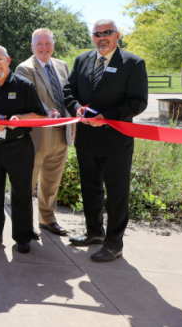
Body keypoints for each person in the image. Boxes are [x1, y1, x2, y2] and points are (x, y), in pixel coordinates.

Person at [63, 19, 148, 262]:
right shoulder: (82, 60)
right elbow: (69, 91)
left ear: (117, 35)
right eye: (97, 33)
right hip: (87, 139)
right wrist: (76, 108)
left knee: (117, 193)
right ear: (93, 37)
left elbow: (138, 102)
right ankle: (94, 232)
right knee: (90, 188)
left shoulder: (132, 63)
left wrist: (107, 117)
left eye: (107, 32)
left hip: (116, 141)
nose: (102, 37)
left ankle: (113, 244)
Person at [0, 45, 48, 254]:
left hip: (19, 146)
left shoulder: (24, 85)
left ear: (8, 60)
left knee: (21, 193)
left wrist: (21, 118)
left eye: (0, 59)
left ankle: (23, 236)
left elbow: (40, 115)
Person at [15, 28, 73, 237]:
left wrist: (73, 125)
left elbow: (69, 96)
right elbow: (31, 99)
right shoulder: (24, 68)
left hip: (61, 133)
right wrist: (48, 112)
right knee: (27, 182)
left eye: (48, 43)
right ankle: (23, 223)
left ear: (53, 45)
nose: (44, 47)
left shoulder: (62, 65)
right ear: (32, 46)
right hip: (36, 135)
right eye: (39, 44)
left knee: (52, 181)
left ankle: (47, 219)